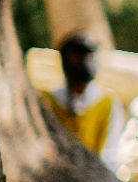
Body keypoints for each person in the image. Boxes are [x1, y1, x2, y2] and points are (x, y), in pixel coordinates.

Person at [40, 33, 125, 169]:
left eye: (89, 55)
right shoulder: (49, 101)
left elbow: (110, 154)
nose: (85, 61)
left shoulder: (108, 104)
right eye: (77, 55)